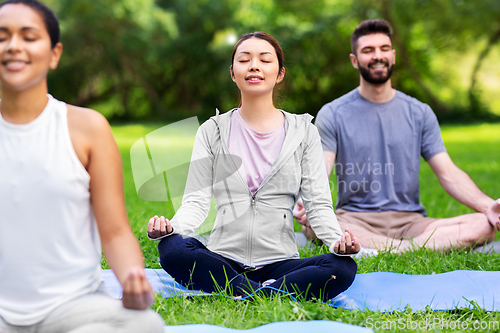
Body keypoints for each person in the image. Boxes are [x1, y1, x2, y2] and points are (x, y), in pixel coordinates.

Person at [147, 32, 359, 302]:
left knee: (342, 268)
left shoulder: (304, 132)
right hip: (222, 259)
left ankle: (238, 290)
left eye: (265, 60)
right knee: (172, 249)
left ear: (279, 73)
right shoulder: (212, 131)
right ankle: (264, 291)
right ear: (233, 73)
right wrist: (171, 229)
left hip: (280, 261)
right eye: (244, 59)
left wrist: (337, 243)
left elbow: (317, 205)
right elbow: (196, 202)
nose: (254, 66)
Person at [0, 0, 164, 332]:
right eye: (2, 37)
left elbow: (115, 231)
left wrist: (133, 278)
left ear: (54, 53)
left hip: (73, 306)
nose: (13, 46)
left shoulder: (87, 128)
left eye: (28, 36)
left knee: (145, 325)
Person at [294, 19, 500, 252]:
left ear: (393, 55)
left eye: (383, 49)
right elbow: (321, 169)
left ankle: (390, 248)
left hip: (410, 222)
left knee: (483, 225)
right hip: (354, 219)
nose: (377, 56)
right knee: (314, 225)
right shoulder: (333, 113)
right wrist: (308, 200)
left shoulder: (419, 112)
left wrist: (488, 206)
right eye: (368, 50)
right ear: (354, 60)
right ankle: (414, 249)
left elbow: (449, 173)